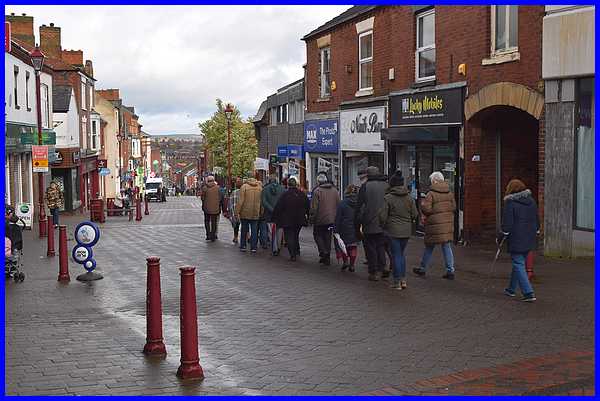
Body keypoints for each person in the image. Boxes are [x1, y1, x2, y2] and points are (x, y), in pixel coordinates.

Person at [499, 179, 539, 302]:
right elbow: (537, 219)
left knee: (518, 263)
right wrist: (536, 230)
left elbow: (507, 224)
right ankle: (511, 289)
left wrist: (502, 235)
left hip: (517, 238)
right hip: (530, 237)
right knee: (519, 262)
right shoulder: (531, 201)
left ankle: (528, 292)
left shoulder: (510, 203)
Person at [413, 171, 456, 280]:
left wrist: (423, 206)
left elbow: (426, 209)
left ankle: (422, 268)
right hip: (446, 224)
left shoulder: (431, 194)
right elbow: (454, 207)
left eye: (432, 180)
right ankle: (450, 270)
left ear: (435, 181)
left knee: (429, 246)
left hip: (434, 224)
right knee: (446, 246)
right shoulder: (449, 193)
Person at [379, 171, 418, 290]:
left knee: (396, 255)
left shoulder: (388, 198)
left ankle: (397, 282)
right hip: (406, 231)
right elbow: (415, 214)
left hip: (393, 231)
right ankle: (403, 280)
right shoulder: (409, 198)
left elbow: (382, 216)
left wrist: (383, 225)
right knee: (401, 254)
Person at [356, 166, 389, 281]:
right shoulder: (386, 186)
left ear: (368, 175)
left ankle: (374, 271)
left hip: (369, 222)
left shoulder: (365, 187)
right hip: (384, 223)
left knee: (370, 248)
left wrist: (358, 222)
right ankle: (383, 266)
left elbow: (359, 206)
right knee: (380, 246)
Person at [271, 177, 309, 261]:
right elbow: (307, 205)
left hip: (287, 219)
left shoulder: (285, 195)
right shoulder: (301, 194)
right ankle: (296, 250)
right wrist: (307, 215)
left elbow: (278, 207)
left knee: (289, 236)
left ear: (288, 185)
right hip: (299, 219)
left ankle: (293, 254)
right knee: (295, 235)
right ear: (296, 184)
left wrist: (274, 217)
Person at [309, 172, 340, 266]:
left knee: (317, 235)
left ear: (318, 181)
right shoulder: (335, 190)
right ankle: (327, 256)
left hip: (320, 219)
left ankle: (323, 252)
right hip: (332, 220)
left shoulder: (317, 191)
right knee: (327, 237)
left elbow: (314, 207)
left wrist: (311, 218)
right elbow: (338, 204)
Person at [334, 185, 360, 272]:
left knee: (343, 245)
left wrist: (336, 229)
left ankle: (345, 261)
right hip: (356, 227)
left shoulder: (342, 203)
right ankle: (352, 264)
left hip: (344, 228)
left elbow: (338, 218)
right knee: (353, 246)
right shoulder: (360, 203)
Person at [235, 177, 262, 253]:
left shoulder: (244, 187)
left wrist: (236, 212)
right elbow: (261, 202)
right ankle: (253, 247)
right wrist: (261, 211)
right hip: (255, 211)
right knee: (254, 230)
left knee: (244, 229)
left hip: (245, 212)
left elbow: (240, 201)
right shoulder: (259, 188)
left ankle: (243, 246)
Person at [261, 174, 285, 256]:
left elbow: (264, 202)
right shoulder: (282, 189)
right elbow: (284, 201)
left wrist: (271, 209)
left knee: (271, 231)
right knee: (279, 230)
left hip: (269, 214)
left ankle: (274, 247)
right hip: (280, 214)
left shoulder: (265, 189)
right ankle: (278, 247)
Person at [200, 176, 222, 242]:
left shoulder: (205, 188)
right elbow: (220, 198)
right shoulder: (218, 188)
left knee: (207, 221)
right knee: (214, 222)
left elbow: (202, 198)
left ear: (207, 181)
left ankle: (208, 235)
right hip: (215, 208)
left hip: (206, 208)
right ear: (213, 180)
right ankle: (213, 236)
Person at [227, 178, 242, 243]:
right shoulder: (244, 192)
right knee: (245, 224)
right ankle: (248, 236)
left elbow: (230, 203)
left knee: (236, 225)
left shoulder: (233, 193)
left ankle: (235, 237)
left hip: (235, 211)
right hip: (243, 211)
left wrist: (230, 211)